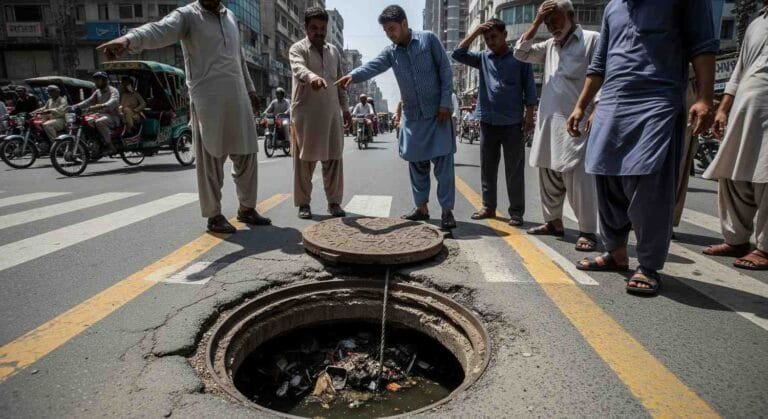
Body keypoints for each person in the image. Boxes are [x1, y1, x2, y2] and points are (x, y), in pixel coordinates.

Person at [567, 0, 718, 295]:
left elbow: (703, 45)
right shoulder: (613, 7)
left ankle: (648, 264)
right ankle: (616, 252)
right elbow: (600, 63)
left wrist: (704, 97)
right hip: (612, 102)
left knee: (650, 186)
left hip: (658, 100)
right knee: (605, 176)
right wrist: (581, 105)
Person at [98, 0, 271, 234]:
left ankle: (247, 208)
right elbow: (159, 29)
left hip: (238, 95)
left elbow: (238, 59)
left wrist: (250, 90)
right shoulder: (187, 15)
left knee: (248, 152)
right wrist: (129, 39)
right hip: (207, 97)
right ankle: (214, 215)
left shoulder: (230, 16)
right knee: (211, 157)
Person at [337, 5, 458, 230]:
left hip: (437, 115)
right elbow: (372, 67)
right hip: (412, 117)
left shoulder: (428, 40)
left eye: (392, 28)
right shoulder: (391, 52)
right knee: (416, 165)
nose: (389, 34)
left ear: (404, 24)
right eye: (386, 31)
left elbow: (445, 70)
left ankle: (447, 211)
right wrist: (352, 75)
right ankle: (421, 208)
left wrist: (445, 103)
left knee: (443, 167)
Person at [513, 0, 600, 250]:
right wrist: (537, 21)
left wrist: (599, 107)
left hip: (577, 120)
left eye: (555, 20)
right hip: (549, 122)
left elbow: (604, 74)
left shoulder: (593, 40)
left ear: (571, 16)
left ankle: (587, 231)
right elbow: (520, 52)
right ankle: (553, 222)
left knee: (578, 179)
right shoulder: (550, 45)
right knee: (548, 173)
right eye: (547, 22)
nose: (552, 26)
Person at [702, 2, 768, 270]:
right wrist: (723, 109)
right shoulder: (756, 21)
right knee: (731, 174)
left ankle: (765, 248)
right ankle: (736, 239)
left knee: (765, 178)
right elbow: (739, 69)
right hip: (743, 107)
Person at [452, 18, 537, 227]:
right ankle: (488, 207)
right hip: (488, 122)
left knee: (514, 170)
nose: (490, 41)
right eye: (487, 38)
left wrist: (529, 117)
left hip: (513, 123)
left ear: (504, 35)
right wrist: (475, 33)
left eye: (494, 37)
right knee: (488, 169)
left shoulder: (519, 58)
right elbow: (457, 54)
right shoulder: (482, 58)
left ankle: (516, 212)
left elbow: (530, 89)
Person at [289, 7, 349, 219]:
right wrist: (312, 77)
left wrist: (345, 108)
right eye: (314, 28)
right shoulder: (297, 49)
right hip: (305, 116)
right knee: (304, 163)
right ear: (305, 27)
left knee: (334, 159)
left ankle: (334, 203)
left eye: (323, 28)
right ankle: (303, 204)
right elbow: (298, 68)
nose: (319, 32)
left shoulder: (334, 51)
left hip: (332, 115)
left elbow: (341, 82)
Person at [74, 72, 121, 155]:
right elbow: (88, 101)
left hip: (112, 116)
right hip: (99, 114)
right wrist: (74, 106)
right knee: (84, 121)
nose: (96, 82)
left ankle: (110, 146)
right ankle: (92, 142)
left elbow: (113, 101)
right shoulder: (97, 91)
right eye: (95, 80)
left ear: (104, 80)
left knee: (99, 122)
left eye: (98, 80)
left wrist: (103, 105)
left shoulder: (113, 91)